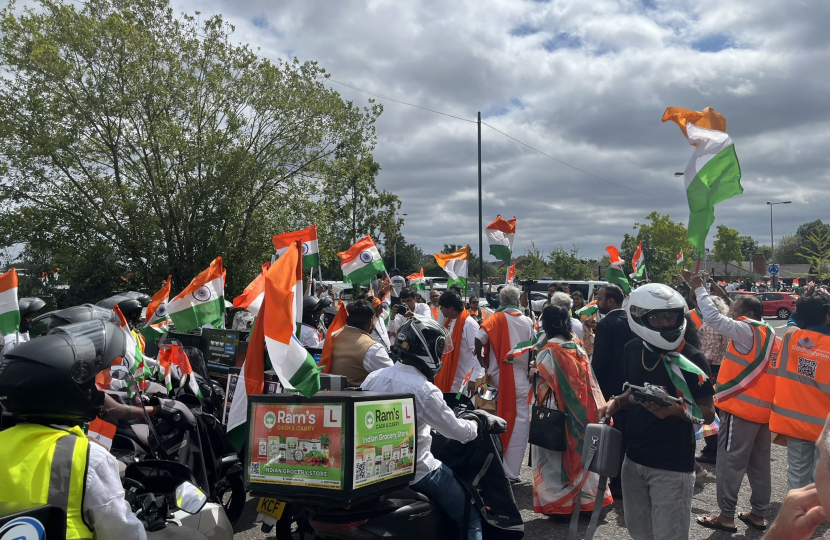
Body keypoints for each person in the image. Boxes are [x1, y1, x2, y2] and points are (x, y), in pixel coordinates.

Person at [0, 320, 195, 540]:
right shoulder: (87, 458)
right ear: (62, 392)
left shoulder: (4, 441)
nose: (94, 392)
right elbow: (126, 536)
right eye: (87, 386)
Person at [362, 317, 506, 540]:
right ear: (427, 349)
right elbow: (459, 432)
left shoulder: (373, 378)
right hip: (418, 472)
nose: (440, 356)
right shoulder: (424, 390)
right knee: (471, 515)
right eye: (439, 349)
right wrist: (480, 422)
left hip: (375, 470)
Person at [599, 283, 715, 540]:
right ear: (639, 317)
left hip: (673, 465)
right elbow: (633, 392)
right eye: (657, 317)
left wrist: (676, 411)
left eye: (670, 316)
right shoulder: (632, 349)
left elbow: (708, 412)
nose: (664, 323)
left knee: (669, 535)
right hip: (633, 459)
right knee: (639, 532)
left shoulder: (693, 359)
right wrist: (616, 402)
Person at [682, 270, 779, 533]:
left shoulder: (745, 329)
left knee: (729, 463)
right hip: (764, 411)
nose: (732, 312)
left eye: (735, 308)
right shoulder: (770, 333)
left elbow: (713, 317)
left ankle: (726, 516)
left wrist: (699, 287)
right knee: (759, 465)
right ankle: (758, 514)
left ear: (745, 312)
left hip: (740, 408)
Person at [529, 305, 613, 515]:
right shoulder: (577, 345)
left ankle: (560, 506)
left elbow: (545, 382)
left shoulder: (549, 350)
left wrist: (534, 372)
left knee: (554, 457)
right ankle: (586, 502)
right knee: (581, 452)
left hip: (555, 409)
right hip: (581, 408)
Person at [769, 291, 830, 490]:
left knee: (796, 477)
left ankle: (797, 516)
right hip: (825, 427)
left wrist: (805, 300)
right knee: (822, 476)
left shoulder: (791, 337)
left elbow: (793, 319)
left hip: (795, 424)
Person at [474, 285, 534, 481]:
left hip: (494, 378)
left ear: (500, 302)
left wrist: (483, 358)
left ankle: (491, 466)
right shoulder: (528, 321)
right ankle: (511, 471)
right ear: (517, 301)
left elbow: (478, 338)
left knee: (489, 417)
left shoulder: (495, 318)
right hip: (519, 378)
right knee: (520, 423)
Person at [586, 283, 631, 497]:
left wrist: (594, 388)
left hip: (611, 389)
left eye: (600, 298)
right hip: (631, 386)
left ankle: (616, 482)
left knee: (614, 435)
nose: (598, 302)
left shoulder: (606, 324)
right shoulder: (632, 321)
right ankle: (626, 480)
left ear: (611, 301)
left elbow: (600, 361)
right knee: (628, 435)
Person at [760, 412, 830, 540]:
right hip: (807, 421)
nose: (816, 473)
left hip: (799, 421)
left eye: (820, 456)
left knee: (797, 478)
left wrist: (776, 536)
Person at [695, 294, 731, 464]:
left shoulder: (710, 325)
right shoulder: (726, 322)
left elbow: (708, 353)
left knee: (710, 411)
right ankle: (720, 448)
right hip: (724, 367)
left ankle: (712, 450)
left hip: (711, 369)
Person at [329, 299, 394, 387]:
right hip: (360, 398)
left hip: (330, 395)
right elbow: (392, 377)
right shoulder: (372, 348)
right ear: (370, 323)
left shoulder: (331, 338)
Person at [434, 291, 482, 393]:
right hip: (453, 377)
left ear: (451, 308)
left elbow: (478, 352)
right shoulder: (451, 322)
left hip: (465, 381)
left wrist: (474, 379)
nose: (440, 310)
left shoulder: (468, 324)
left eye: (442, 307)